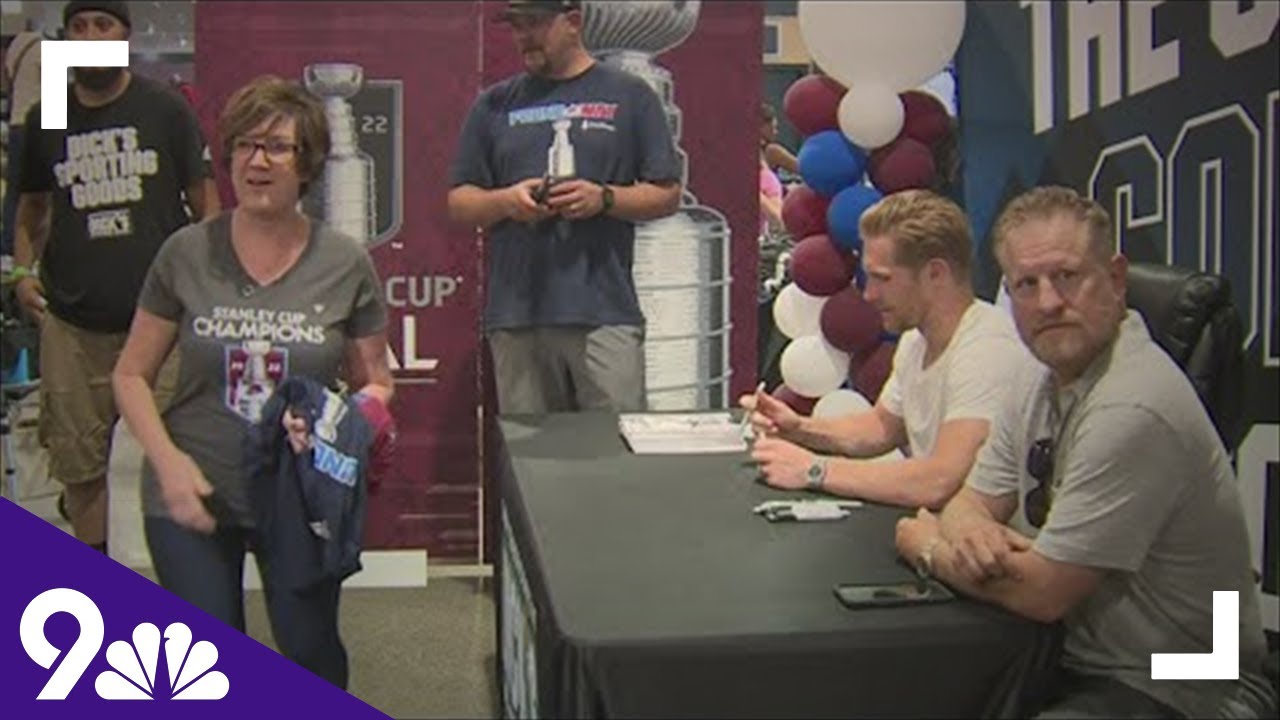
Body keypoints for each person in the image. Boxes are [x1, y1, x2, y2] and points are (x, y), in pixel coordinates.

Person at [894, 186, 1276, 718]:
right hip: (1085, 651)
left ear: (1115, 279)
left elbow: (1043, 592)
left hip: (1199, 669)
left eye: (1067, 276)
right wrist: (971, 531)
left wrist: (931, 548)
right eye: (1027, 284)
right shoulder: (1036, 373)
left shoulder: (1134, 404)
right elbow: (969, 501)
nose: (1048, 302)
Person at [112, 75, 394, 689]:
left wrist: (334, 424)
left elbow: (376, 384)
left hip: (297, 497)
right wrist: (167, 464)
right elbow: (131, 374)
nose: (256, 160)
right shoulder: (185, 253)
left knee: (310, 655)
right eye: (243, 144)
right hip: (193, 491)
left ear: (308, 163)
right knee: (204, 673)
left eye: (276, 147)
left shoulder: (345, 262)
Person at [12, 0, 219, 552]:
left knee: (173, 452)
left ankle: (184, 578)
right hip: (74, 322)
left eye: (102, 24)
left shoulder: (164, 108)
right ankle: (97, 582)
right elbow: (32, 209)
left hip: (161, 322)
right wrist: (22, 272)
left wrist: (209, 286)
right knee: (79, 462)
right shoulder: (50, 113)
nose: (90, 35)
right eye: (78, 27)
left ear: (124, 35)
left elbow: (207, 207)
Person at [447, 0, 681, 414]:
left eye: (534, 24)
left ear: (573, 22)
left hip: (604, 311)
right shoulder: (494, 104)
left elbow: (666, 194)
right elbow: (460, 203)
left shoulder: (630, 96)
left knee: (614, 455)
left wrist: (604, 198)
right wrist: (507, 201)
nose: (524, 37)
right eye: (516, 26)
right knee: (531, 464)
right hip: (517, 316)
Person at [744, 190, 1028, 509]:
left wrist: (814, 469)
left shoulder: (987, 350)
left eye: (882, 278)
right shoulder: (916, 340)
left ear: (936, 273)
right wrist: (800, 428)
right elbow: (881, 427)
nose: (869, 294)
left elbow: (940, 481)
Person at [2, 20, 45, 257]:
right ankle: (36, 250)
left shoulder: (15, 48)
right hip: (38, 126)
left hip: (17, 124)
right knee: (40, 193)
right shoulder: (47, 49)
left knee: (15, 190)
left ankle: (7, 248)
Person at [760, 102, 798, 178]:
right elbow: (803, 169)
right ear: (761, 126)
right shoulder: (772, 150)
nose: (775, 132)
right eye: (773, 128)